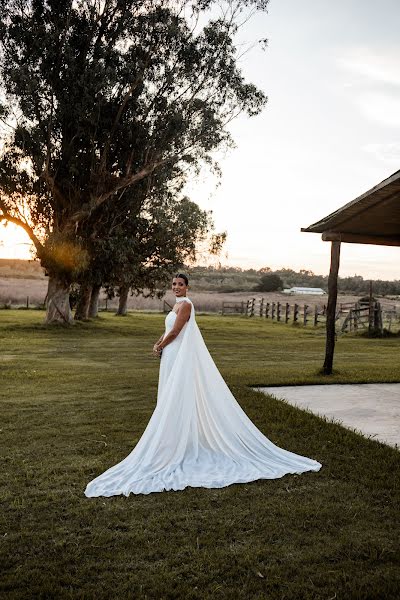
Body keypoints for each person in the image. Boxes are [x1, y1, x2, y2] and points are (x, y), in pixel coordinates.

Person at [85, 274, 321, 497]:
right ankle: (174, 437)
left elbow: (177, 331)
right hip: (170, 353)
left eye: (180, 284)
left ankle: (178, 439)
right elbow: (168, 329)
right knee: (169, 393)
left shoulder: (186, 304)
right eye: (174, 283)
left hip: (178, 353)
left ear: (187, 287)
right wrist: (158, 342)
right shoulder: (175, 305)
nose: (176, 287)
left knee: (178, 393)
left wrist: (161, 346)